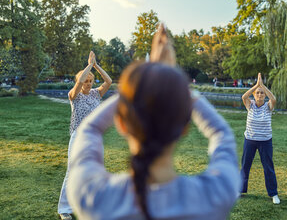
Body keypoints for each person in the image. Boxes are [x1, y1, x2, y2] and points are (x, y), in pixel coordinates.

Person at [66, 24, 240, 220]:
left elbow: (89, 130)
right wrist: (172, 84)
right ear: (185, 127)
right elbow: (222, 134)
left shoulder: (93, 197)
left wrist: (137, 87)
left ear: (121, 124)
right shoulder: (215, 196)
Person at [58, 51, 112, 220]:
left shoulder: (97, 93)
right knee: (72, 171)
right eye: (85, 81)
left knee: (96, 170)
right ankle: (64, 209)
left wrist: (96, 65)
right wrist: (89, 64)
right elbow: (80, 80)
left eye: (90, 81)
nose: (88, 84)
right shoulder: (74, 96)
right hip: (78, 137)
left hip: (94, 137)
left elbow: (109, 81)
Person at [240, 72, 280, 204]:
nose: (259, 95)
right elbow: (243, 96)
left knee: (268, 167)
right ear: (254, 95)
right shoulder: (249, 104)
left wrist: (263, 86)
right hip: (250, 140)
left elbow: (273, 98)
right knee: (245, 166)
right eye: (257, 93)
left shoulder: (268, 106)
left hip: (265, 142)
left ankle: (273, 194)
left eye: (261, 93)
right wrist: (256, 85)